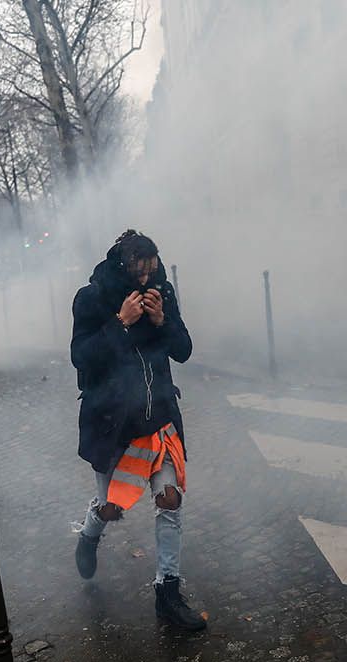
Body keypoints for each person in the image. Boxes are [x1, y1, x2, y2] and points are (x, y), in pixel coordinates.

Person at [70, 229, 206, 631]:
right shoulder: (91, 297)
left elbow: (183, 349)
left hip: (159, 418)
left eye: (151, 272)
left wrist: (162, 319)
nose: (145, 281)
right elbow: (81, 357)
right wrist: (120, 322)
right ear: (122, 266)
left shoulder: (161, 291)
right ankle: (91, 531)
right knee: (112, 507)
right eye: (139, 273)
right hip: (113, 426)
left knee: (169, 499)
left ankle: (168, 593)